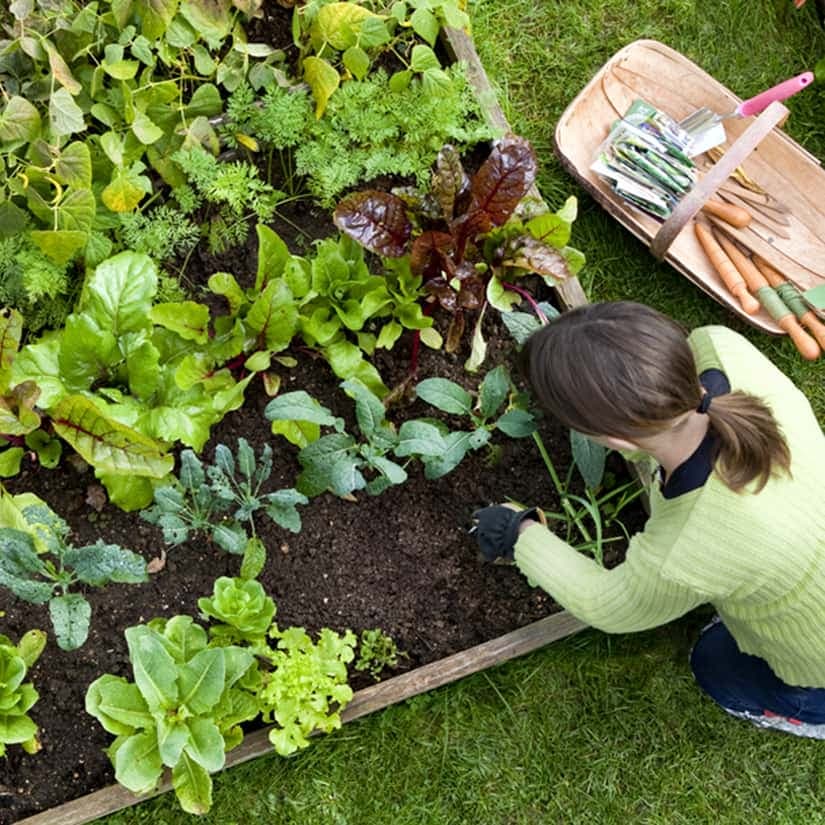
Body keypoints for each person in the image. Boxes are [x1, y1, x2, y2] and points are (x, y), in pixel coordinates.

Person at [472, 301, 825, 737]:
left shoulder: (690, 545)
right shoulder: (723, 347)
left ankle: (807, 714)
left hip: (818, 656)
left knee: (714, 667)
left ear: (616, 441)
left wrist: (518, 532)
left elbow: (608, 603)